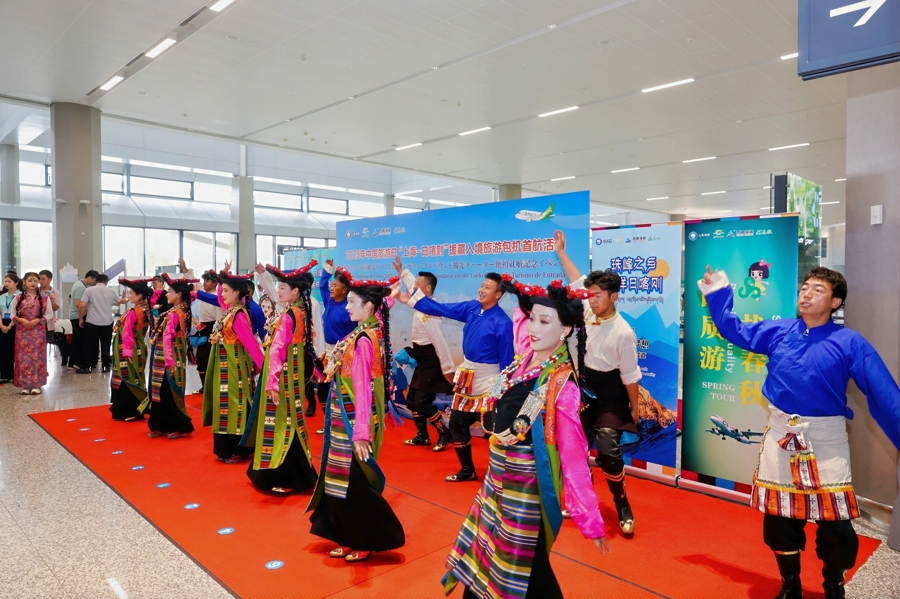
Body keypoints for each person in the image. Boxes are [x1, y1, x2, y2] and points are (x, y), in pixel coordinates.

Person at [698, 265, 900, 599]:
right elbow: (735, 330)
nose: (806, 294)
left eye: (818, 290)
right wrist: (717, 292)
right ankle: (790, 584)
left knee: (837, 525)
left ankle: (833, 584)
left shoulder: (850, 342)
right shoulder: (780, 331)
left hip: (826, 440)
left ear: (835, 302)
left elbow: (884, 393)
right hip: (781, 434)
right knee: (780, 519)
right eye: (804, 288)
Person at [443, 276, 608, 599]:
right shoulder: (524, 360)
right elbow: (521, 315)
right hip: (496, 478)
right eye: (532, 319)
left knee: (522, 565)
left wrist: (590, 519)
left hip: (526, 489)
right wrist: (522, 293)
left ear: (565, 330)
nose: (533, 327)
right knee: (491, 552)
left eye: (544, 321)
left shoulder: (561, 384)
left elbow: (574, 457)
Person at [308, 267, 405, 563]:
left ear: (368, 308)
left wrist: (361, 432)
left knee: (354, 482)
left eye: (352, 302)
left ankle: (366, 538)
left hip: (353, 420)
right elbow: (385, 304)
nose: (347, 307)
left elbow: (362, 389)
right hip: (345, 416)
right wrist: (392, 293)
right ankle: (349, 535)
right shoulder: (369, 329)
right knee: (341, 478)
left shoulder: (364, 339)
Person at [555, 230, 642, 536]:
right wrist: (561, 251)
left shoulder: (624, 332)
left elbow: (630, 376)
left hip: (610, 394)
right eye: (590, 295)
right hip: (581, 388)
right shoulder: (587, 309)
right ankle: (582, 498)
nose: (591, 299)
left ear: (614, 296)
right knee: (573, 448)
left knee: (608, 450)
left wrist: (634, 409)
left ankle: (621, 503)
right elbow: (575, 279)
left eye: (598, 295)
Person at [399, 272, 513, 482]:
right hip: (468, 377)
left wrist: (504, 389)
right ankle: (467, 470)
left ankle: (502, 475)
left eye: (487, 288)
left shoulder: (502, 322)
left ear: (498, 295)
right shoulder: (471, 308)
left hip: (490, 381)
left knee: (495, 430)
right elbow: (440, 308)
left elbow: (506, 359)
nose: (481, 290)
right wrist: (413, 299)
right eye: (482, 285)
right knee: (457, 423)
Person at [241, 262, 320, 492]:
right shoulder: (299, 310)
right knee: (291, 421)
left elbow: (277, 350)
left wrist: (272, 382)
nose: (278, 291)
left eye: (282, 287)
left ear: (295, 291)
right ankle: (298, 475)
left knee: (282, 423)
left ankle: (286, 477)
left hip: (283, 376)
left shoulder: (290, 315)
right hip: (292, 374)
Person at [201, 270, 264, 464]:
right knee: (225, 406)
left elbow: (251, 344)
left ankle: (240, 449)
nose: (222, 294)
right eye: (222, 290)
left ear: (237, 293)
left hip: (234, 369)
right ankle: (227, 448)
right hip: (224, 368)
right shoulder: (229, 311)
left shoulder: (238, 315)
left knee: (236, 406)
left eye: (226, 290)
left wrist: (264, 367)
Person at [393, 257, 455, 451]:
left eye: (418, 285)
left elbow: (439, 341)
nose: (413, 287)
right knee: (412, 400)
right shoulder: (421, 302)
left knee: (422, 402)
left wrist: (447, 368)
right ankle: (422, 436)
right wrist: (403, 272)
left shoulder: (430, 311)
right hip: (421, 358)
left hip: (431, 360)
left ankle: (444, 433)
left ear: (427, 289)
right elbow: (412, 283)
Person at [147, 273, 197, 439]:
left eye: (170, 291)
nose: (167, 294)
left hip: (169, 358)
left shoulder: (176, 313)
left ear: (179, 294)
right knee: (160, 391)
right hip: (168, 355)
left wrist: (169, 360)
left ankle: (177, 425)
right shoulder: (181, 310)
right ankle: (160, 424)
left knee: (169, 392)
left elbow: (168, 336)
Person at [314, 259, 356, 420]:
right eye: (332, 284)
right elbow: (322, 286)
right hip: (328, 353)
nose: (331, 287)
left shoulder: (348, 310)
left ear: (344, 290)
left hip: (341, 356)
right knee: (323, 390)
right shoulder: (329, 302)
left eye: (336, 285)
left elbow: (352, 335)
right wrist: (328, 269)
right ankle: (329, 422)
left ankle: (342, 422)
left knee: (338, 391)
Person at [110, 277, 154, 421]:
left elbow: (127, 332)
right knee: (136, 376)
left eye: (131, 293)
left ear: (139, 295)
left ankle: (128, 410)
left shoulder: (134, 311)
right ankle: (138, 408)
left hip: (127, 347)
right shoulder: (147, 308)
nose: (129, 295)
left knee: (126, 377)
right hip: (139, 346)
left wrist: (127, 351)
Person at [11, 272, 54, 395]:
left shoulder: (44, 298)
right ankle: (25, 385)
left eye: (35, 280)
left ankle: (37, 384)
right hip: (22, 332)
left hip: (38, 332)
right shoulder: (18, 298)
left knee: (37, 357)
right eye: (30, 280)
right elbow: (12, 314)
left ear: (38, 282)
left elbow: (49, 314)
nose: (33, 283)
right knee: (23, 357)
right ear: (24, 282)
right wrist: (22, 320)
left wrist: (37, 320)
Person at [79, 274, 124, 373]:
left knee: (89, 345)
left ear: (96, 281)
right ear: (106, 282)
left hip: (92, 322)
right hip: (107, 322)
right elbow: (120, 301)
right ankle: (105, 366)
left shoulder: (89, 290)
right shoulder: (111, 291)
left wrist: (81, 319)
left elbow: (82, 305)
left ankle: (87, 366)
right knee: (106, 344)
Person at [192, 266, 223, 394]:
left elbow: (218, 318)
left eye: (208, 281)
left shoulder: (216, 297)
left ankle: (210, 387)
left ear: (215, 283)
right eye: (204, 281)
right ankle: (204, 386)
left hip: (212, 329)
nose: (205, 283)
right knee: (200, 360)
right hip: (202, 328)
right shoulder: (202, 295)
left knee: (209, 359)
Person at [67, 270, 98, 371]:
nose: (95, 283)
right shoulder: (81, 287)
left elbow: (70, 298)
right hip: (77, 316)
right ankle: (75, 362)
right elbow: (78, 304)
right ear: (90, 278)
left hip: (76, 315)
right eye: (95, 281)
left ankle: (74, 362)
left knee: (78, 339)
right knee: (79, 340)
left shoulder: (79, 284)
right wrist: (89, 312)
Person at [0, 274, 21, 383]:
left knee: (15, 349)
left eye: (9, 281)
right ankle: (5, 374)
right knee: (3, 349)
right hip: (3, 322)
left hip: (15, 323)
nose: (6, 283)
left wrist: (9, 326)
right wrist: (1, 325)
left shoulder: (21, 296)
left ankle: (16, 374)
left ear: (16, 283)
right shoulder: (2, 296)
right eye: (5, 281)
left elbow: (19, 313)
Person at [39, 270, 61, 347]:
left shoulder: (55, 292)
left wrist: (51, 300)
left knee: (47, 344)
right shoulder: (35, 291)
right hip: (36, 322)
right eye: (39, 279)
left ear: (50, 279)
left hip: (49, 323)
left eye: (43, 279)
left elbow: (55, 308)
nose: (41, 281)